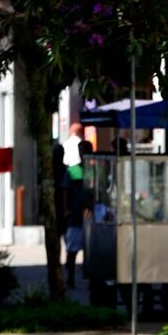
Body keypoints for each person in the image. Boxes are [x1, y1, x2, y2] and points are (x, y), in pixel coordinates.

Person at [60, 123, 93, 288]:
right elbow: (65, 190)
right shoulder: (74, 170)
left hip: (91, 214)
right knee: (72, 249)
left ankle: (89, 279)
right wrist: (67, 209)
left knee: (90, 250)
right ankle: (71, 277)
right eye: (82, 150)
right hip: (76, 213)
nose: (84, 153)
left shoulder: (95, 170)